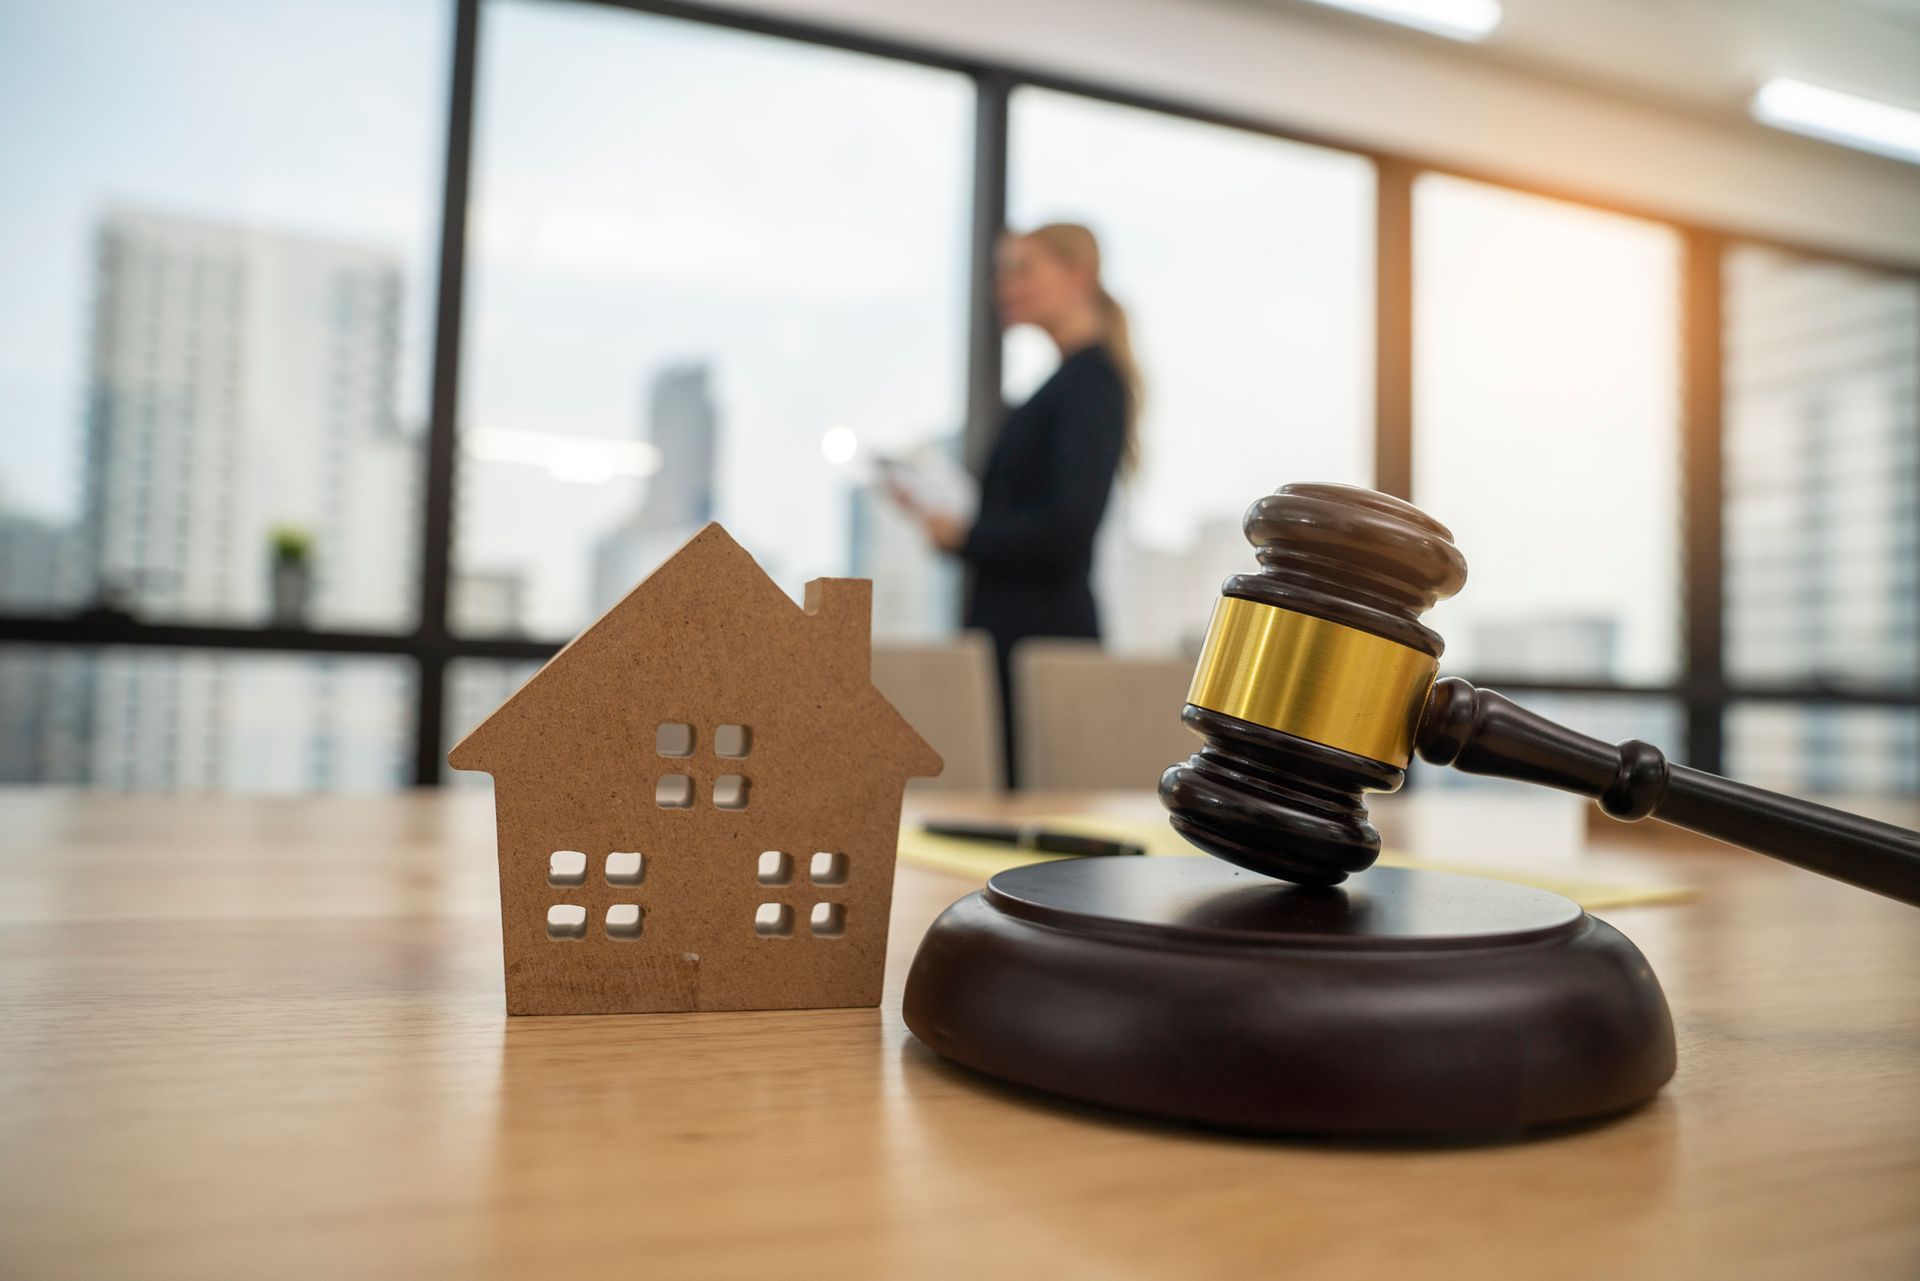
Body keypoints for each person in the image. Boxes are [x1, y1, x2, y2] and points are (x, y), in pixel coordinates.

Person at [893, 222, 1142, 783]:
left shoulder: (1091, 384)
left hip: (1045, 646)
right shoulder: (1063, 384)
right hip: (1016, 636)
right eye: (1001, 271)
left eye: (1022, 269)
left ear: (1078, 275)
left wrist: (964, 535)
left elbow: (1068, 528)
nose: (1004, 285)